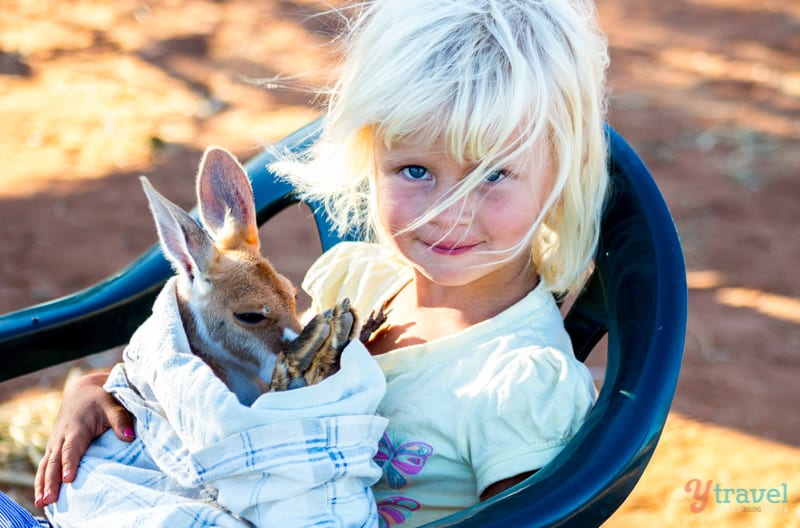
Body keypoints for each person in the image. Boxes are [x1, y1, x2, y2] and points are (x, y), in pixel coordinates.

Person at [34, 0, 609, 525]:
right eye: (415, 170)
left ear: (563, 175)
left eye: (493, 175)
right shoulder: (361, 278)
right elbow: (264, 403)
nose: (448, 214)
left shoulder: (522, 383)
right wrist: (110, 393)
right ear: (372, 157)